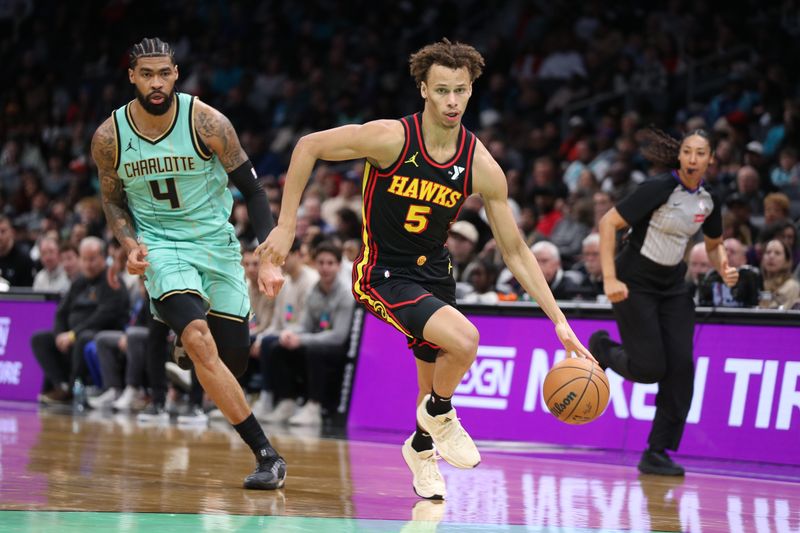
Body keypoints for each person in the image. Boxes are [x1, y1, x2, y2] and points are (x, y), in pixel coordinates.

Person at [257, 39, 593, 500]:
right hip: (383, 272)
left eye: (460, 90)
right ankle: (442, 415)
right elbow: (308, 145)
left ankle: (422, 448)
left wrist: (559, 320)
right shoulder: (392, 138)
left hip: (435, 273)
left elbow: (515, 250)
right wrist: (287, 224)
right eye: (441, 91)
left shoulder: (480, 165)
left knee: (431, 376)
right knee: (466, 340)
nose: (452, 101)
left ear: (472, 90)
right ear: (423, 90)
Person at [91, 37, 285, 490]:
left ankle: (186, 345)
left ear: (176, 74)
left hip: (216, 244)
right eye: (146, 74)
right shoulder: (109, 136)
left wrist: (268, 257)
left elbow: (254, 192)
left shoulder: (207, 122)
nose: (156, 83)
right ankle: (267, 454)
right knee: (200, 343)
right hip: (161, 246)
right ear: (132, 77)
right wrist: (127, 241)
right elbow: (113, 200)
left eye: (164, 73)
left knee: (230, 361)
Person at [589, 128, 739, 476]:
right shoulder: (658, 188)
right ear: (681, 155)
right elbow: (608, 224)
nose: (693, 158)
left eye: (701, 153)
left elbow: (714, 244)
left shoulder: (708, 200)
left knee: (681, 368)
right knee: (650, 368)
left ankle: (656, 451)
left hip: (672, 286)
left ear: (711, 159)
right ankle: (603, 348)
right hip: (634, 281)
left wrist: (725, 267)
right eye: (688, 151)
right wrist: (610, 278)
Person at [263, 241, 354, 426]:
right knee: (277, 347)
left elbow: (339, 336)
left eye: (330, 263)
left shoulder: (346, 294)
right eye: (321, 263)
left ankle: (314, 407)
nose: (325, 268)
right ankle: (286, 401)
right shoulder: (315, 291)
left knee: (314, 350)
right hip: (316, 340)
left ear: (338, 266)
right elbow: (304, 325)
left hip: (337, 348)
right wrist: (289, 334)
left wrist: (302, 339)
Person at [31, 237, 129, 404]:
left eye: (92, 259)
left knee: (84, 338)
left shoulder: (113, 281)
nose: (88, 264)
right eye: (84, 259)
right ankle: (60, 385)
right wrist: (59, 335)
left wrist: (73, 334)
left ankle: (72, 388)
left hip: (100, 334)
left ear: (104, 257)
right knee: (39, 339)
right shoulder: (79, 282)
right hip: (71, 336)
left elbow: (104, 316)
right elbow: (61, 313)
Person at [0, 215, 34, 287]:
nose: (0, 236)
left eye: (3, 231)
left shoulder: (24, 260)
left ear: (12, 232)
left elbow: (27, 293)